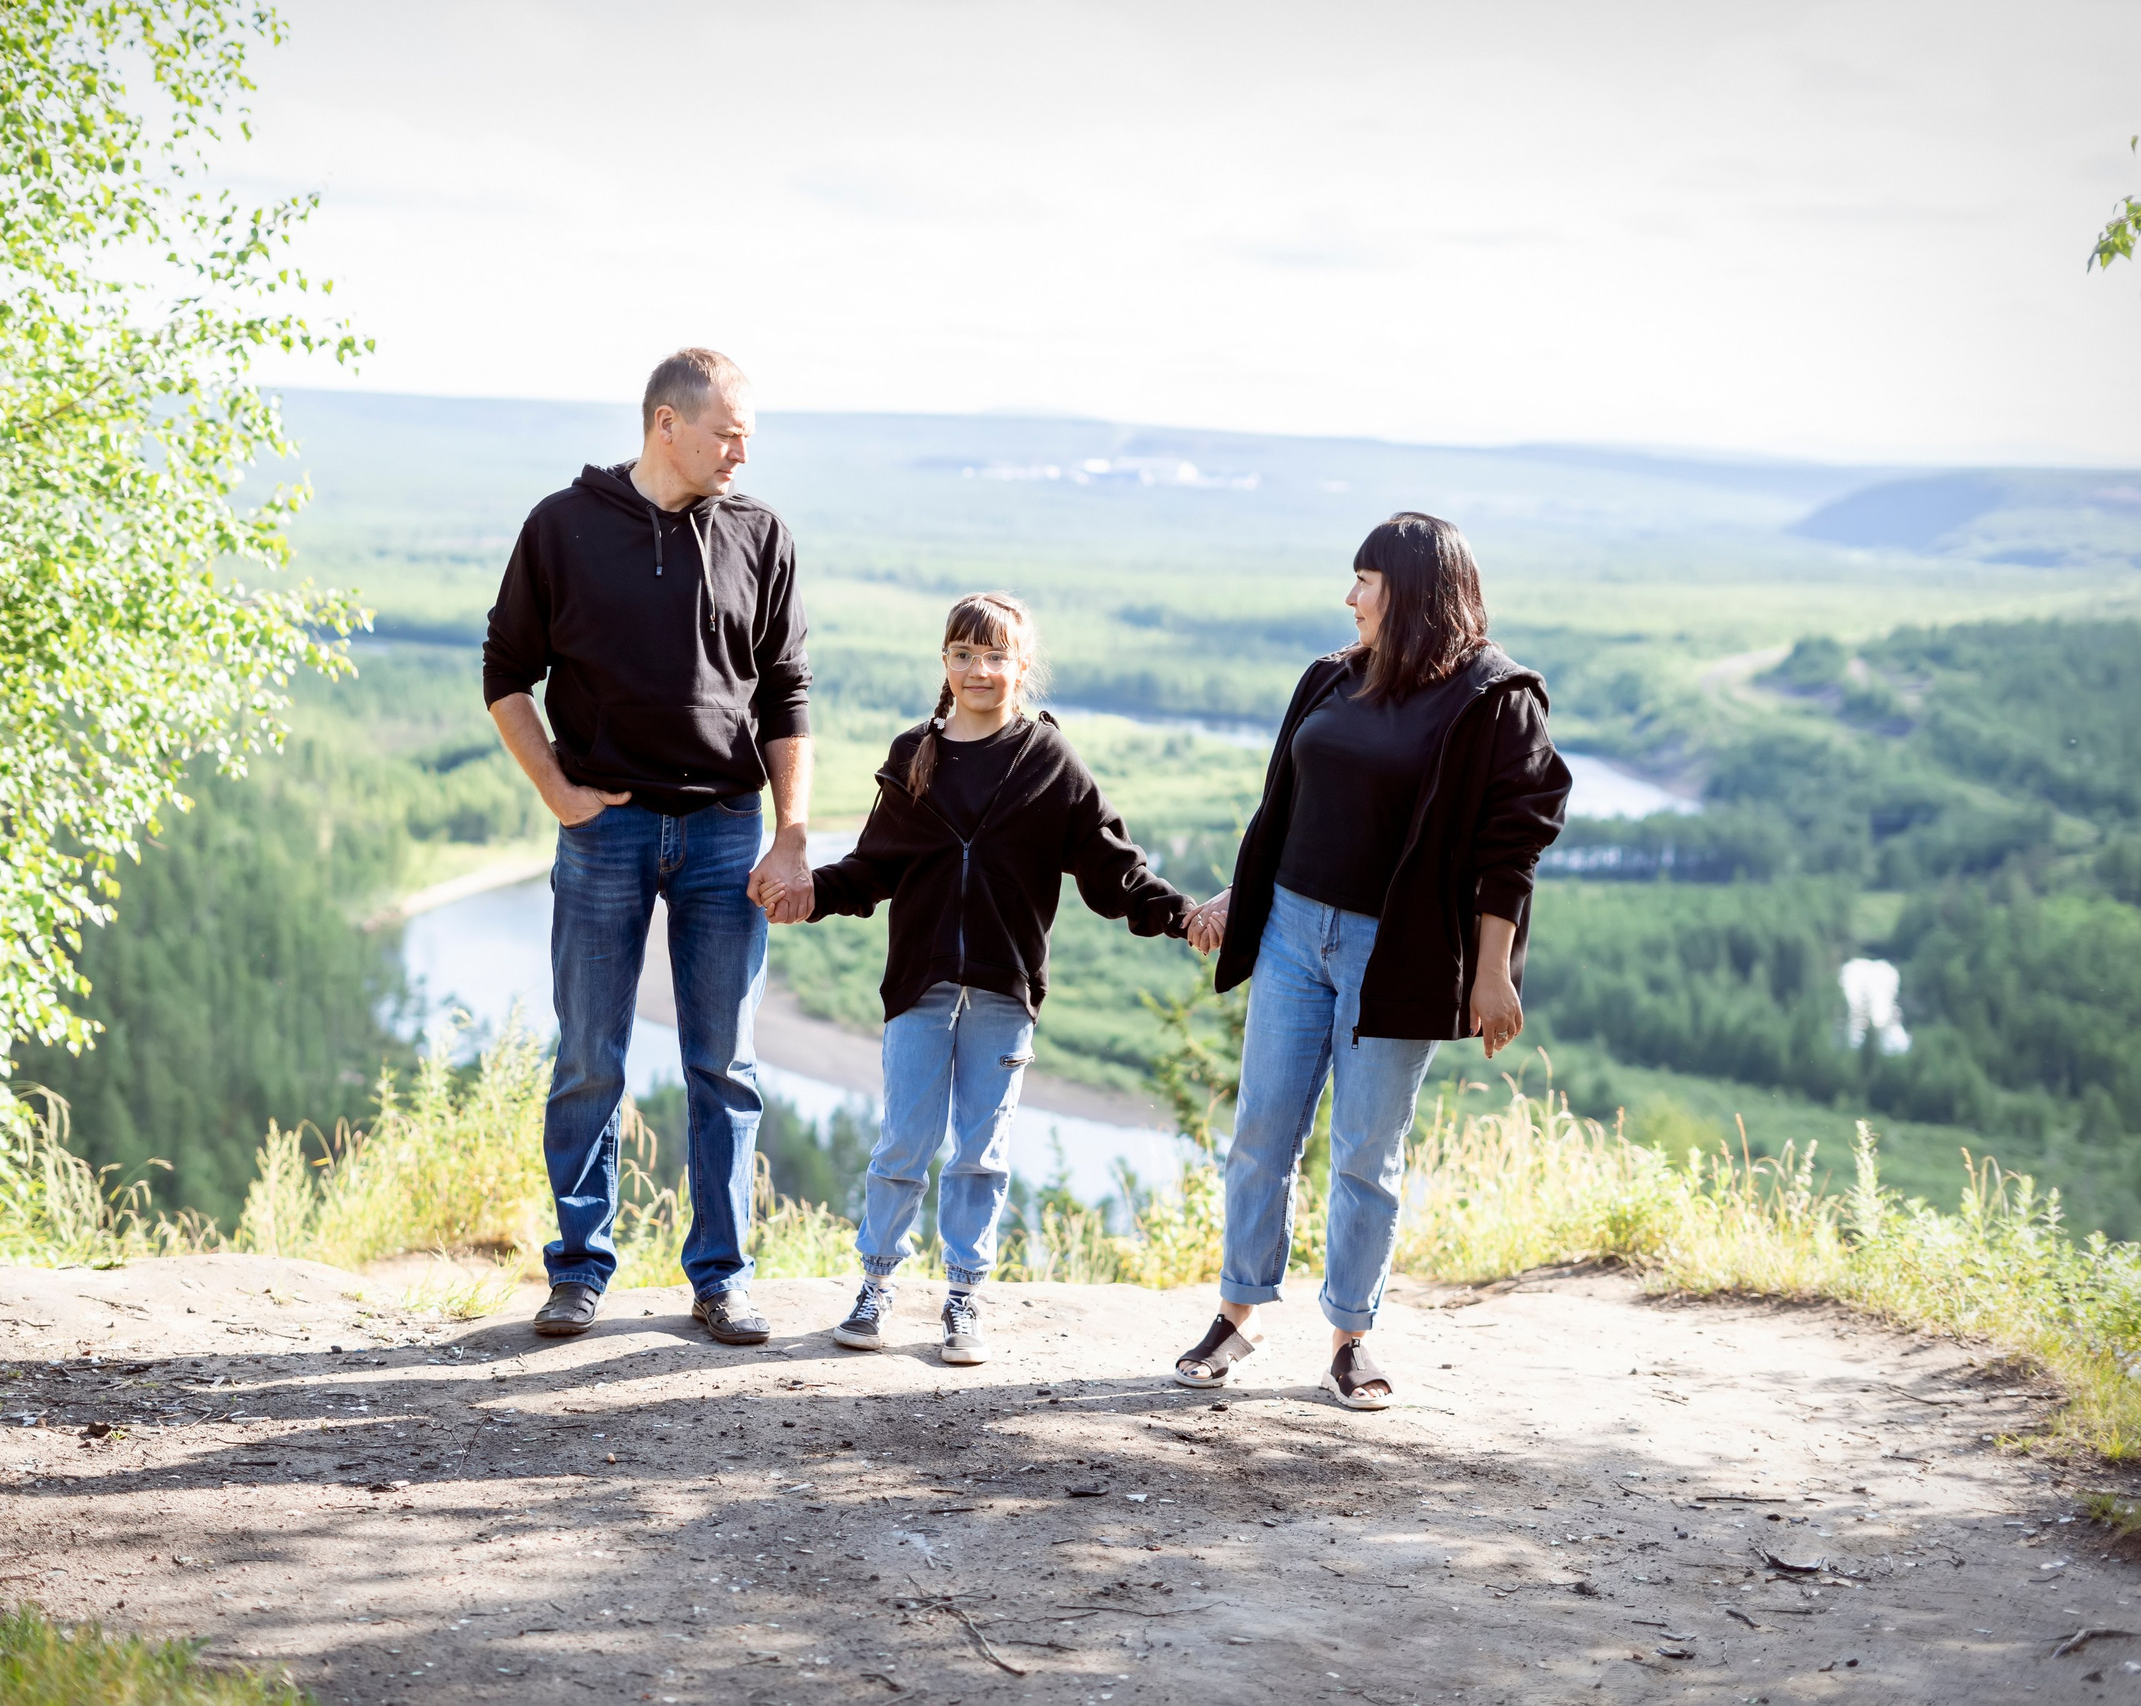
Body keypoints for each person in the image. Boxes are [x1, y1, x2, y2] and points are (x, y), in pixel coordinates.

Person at [1177, 513, 1570, 1406]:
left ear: (1416, 592)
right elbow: (1283, 802)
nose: (1349, 598)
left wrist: (1494, 969)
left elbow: (1514, 847)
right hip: (1289, 931)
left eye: (1366, 581)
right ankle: (1240, 1315)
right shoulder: (1329, 678)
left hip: (1396, 953)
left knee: (1364, 1153)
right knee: (1261, 1135)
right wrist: (1244, 894)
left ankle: (1351, 1337)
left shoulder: (1495, 698)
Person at [482, 348, 815, 1347]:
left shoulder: (760, 534)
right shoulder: (563, 526)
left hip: (724, 831)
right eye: (727, 431)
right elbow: (506, 673)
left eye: (748, 433)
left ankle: (721, 1278)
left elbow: (787, 692)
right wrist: (558, 793)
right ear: (665, 423)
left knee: (726, 1065)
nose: (742, 450)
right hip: (606, 831)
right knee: (589, 1055)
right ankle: (578, 1270)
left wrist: (793, 830)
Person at [786, 593, 1195, 1365]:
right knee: (903, 1141)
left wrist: (1184, 916)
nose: (981, 670)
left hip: (1005, 994)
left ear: (1023, 666)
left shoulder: (1050, 762)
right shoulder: (915, 754)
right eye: (965, 655)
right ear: (945, 664)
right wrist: (808, 894)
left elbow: (1115, 871)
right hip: (919, 984)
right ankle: (876, 1287)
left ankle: (964, 1299)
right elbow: (873, 868)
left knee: (982, 1150)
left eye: (997, 656)